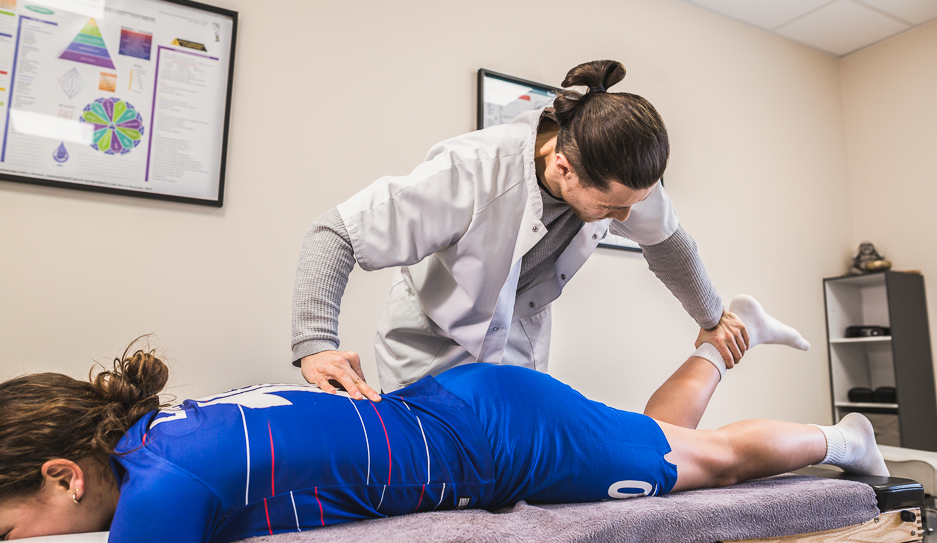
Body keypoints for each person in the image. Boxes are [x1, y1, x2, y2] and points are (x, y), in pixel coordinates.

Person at [0, 297, 885, 543]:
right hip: (469, 405)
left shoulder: (156, 488)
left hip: (497, 441)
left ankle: (842, 437)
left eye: (8, 530)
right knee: (672, 445)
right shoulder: (170, 430)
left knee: (708, 463)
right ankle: (730, 332)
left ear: (64, 473)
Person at [293, 60, 749, 402]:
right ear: (563, 167)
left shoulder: (622, 178)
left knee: (515, 477)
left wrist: (713, 319)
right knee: (445, 485)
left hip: (516, 340)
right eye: (612, 209)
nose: (626, 220)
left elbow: (669, 246)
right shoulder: (472, 171)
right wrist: (315, 345)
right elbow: (335, 233)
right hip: (431, 346)